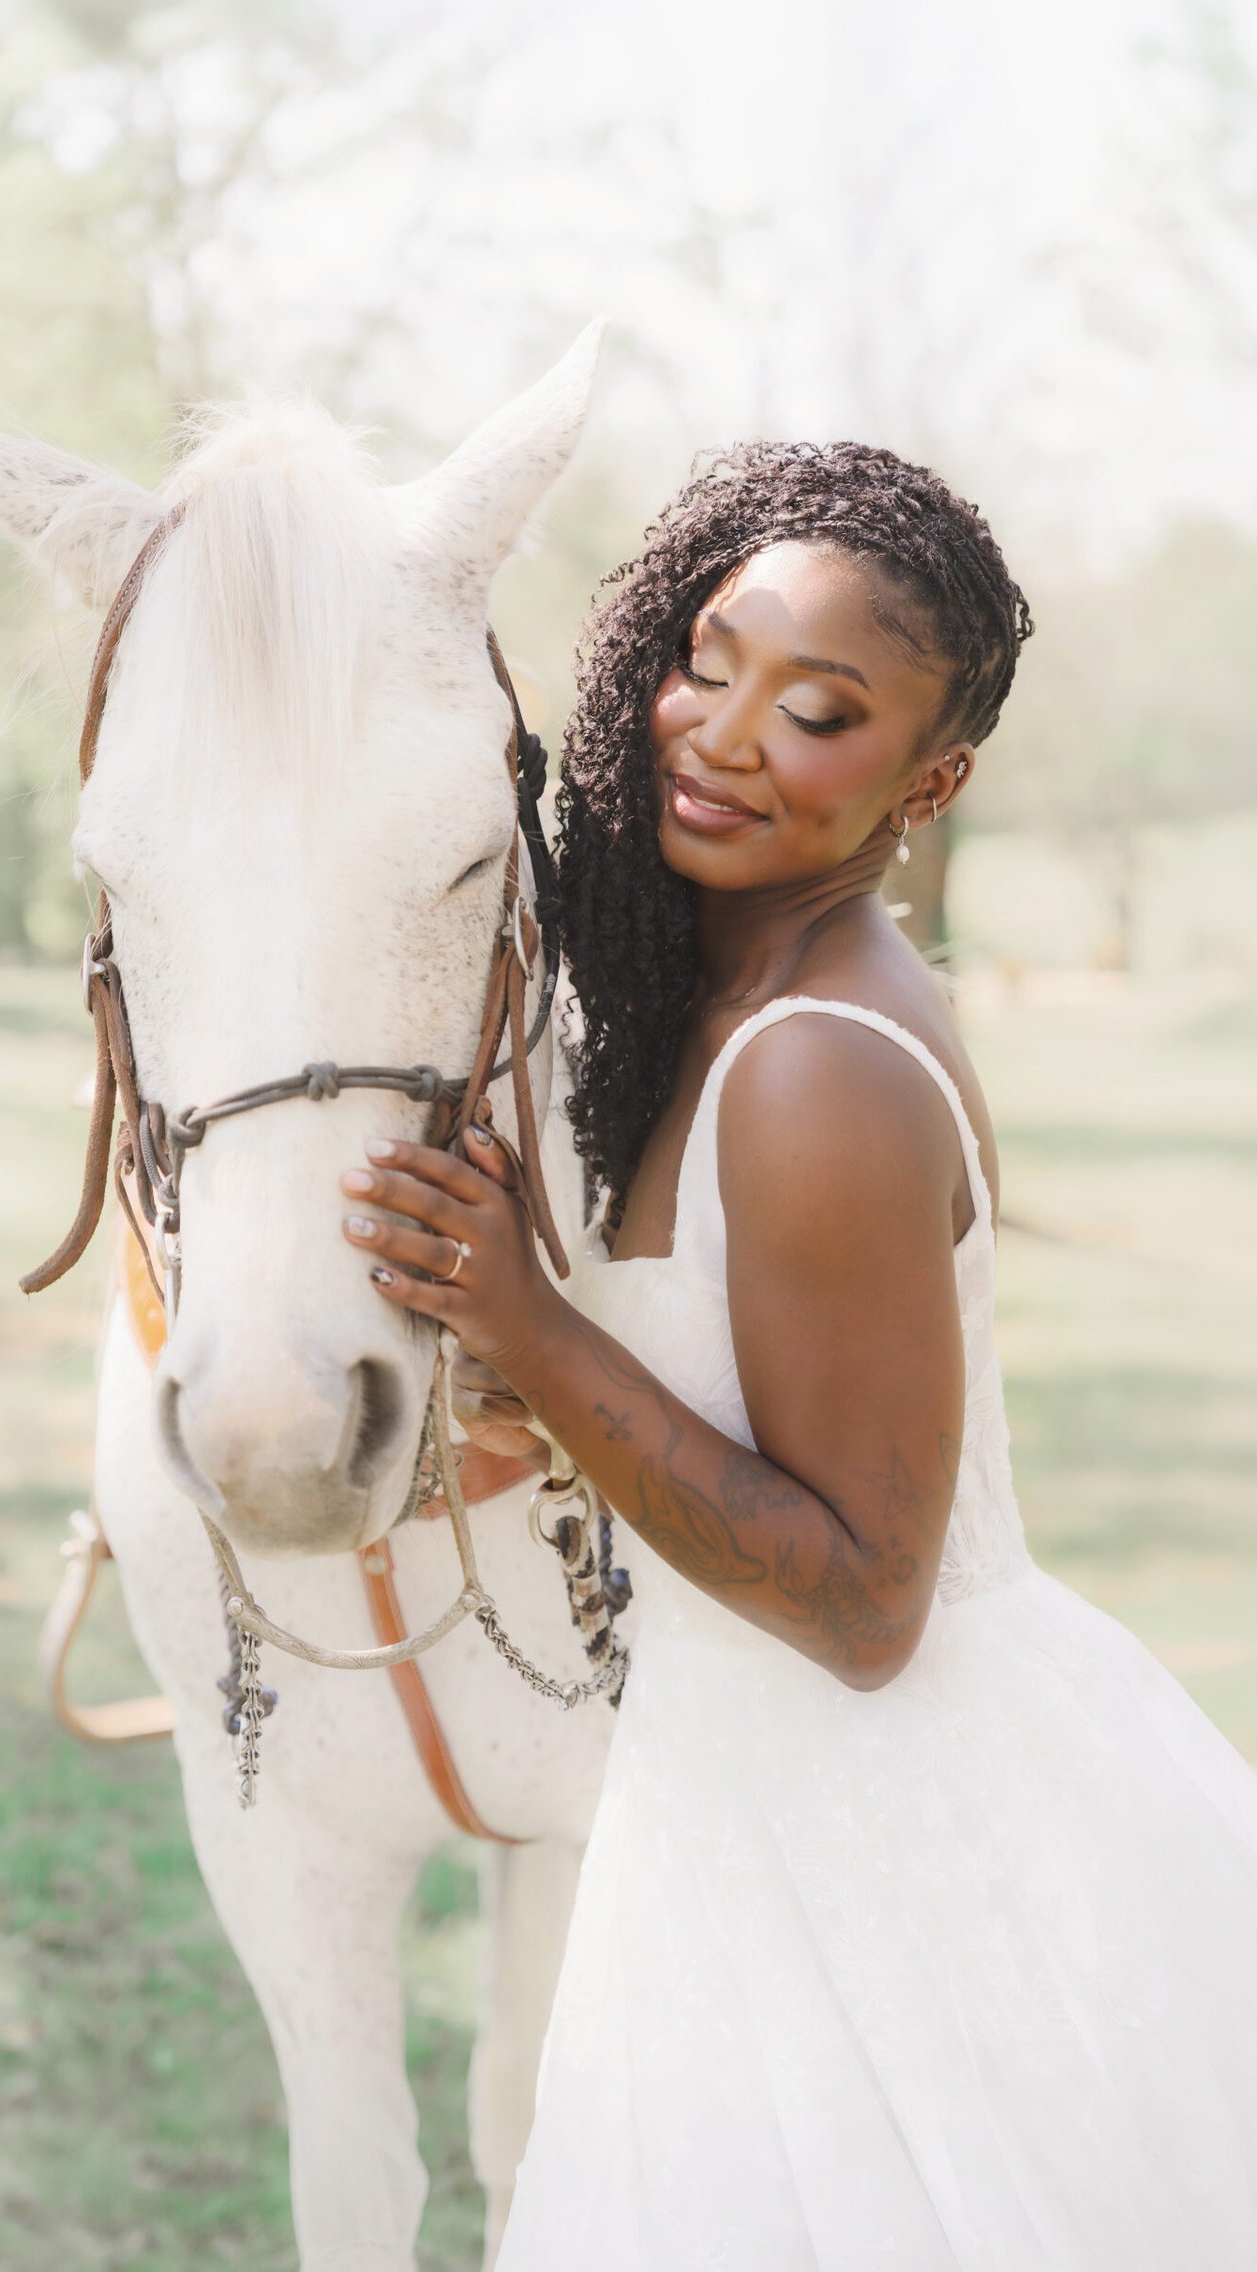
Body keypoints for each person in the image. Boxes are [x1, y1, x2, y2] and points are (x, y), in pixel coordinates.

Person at [336, 439, 1257, 2269]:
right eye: (710, 656)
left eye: (821, 708)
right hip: (746, 1798)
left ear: (938, 774)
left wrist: (527, 1318)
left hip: (901, 1830)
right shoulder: (727, 997)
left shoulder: (819, 1061)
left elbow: (861, 1606)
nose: (725, 731)